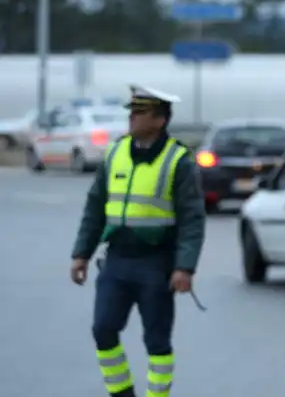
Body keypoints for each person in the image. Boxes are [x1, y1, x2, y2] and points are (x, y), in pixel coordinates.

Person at [69, 85, 206, 397]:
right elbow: (95, 208)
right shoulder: (116, 153)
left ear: (159, 120)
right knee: (103, 330)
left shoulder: (178, 161)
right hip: (116, 260)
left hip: (156, 263)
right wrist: (81, 254)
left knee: (157, 342)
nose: (131, 117)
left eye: (140, 112)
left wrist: (185, 267)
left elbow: (192, 219)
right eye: (131, 111)